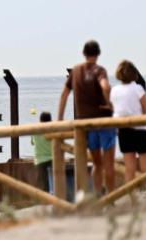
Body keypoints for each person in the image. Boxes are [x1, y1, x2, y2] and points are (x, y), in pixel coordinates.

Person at [58, 39, 115, 196]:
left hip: (86, 123)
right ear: (98, 54)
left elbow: (64, 94)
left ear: (84, 53)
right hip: (104, 121)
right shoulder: (99, 70)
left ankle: (97, 197)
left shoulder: (75, 71)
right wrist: (108, 103)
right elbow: (105, 86)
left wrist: (60, 118)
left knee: (96, 163)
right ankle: (110, 198)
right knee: (108, 163)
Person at [110, 60, 146, 207]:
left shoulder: (114, 90)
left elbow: (114, 109)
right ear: (133, 74)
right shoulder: (137, 88)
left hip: (123, 131)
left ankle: (132, 199)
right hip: (140, 131)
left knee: (129, 168)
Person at [31, 112, 54, 192]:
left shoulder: (35, 130)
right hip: (52, 159)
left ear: (40, 120)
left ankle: (44, 202)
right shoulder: (52, 130)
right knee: (54, 183)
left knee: (43, 185)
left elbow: (32, 142)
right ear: (50, 120)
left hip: (40, 160)